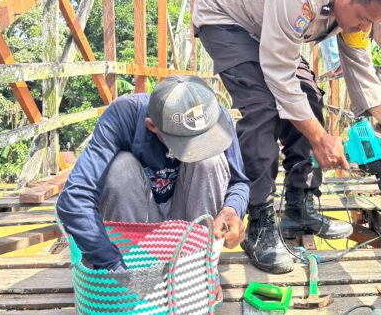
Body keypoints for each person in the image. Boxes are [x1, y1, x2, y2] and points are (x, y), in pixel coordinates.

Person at [193, 0, 381, 274]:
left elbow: (357, 56)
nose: (365, 27)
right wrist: (318, 138)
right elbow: (279, 76)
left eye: (373, 22)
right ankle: (258, 221)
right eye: (364, 18)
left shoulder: (354, 7)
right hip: (225, 19)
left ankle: (300, 206)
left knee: (310, 98)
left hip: (265, 26)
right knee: (263, 108)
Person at [57, 75, 249, 274]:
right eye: (187, 144)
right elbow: (74, 199)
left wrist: (232, 210)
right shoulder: (124, 115)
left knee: (210, 159)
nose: (196, 148)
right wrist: (111, 263)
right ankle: (134, 269)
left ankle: (197, 270)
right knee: (120, 167)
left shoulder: (215, 117)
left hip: (189, 221)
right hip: (139, 222)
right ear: (151, 126)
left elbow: (239, 182)